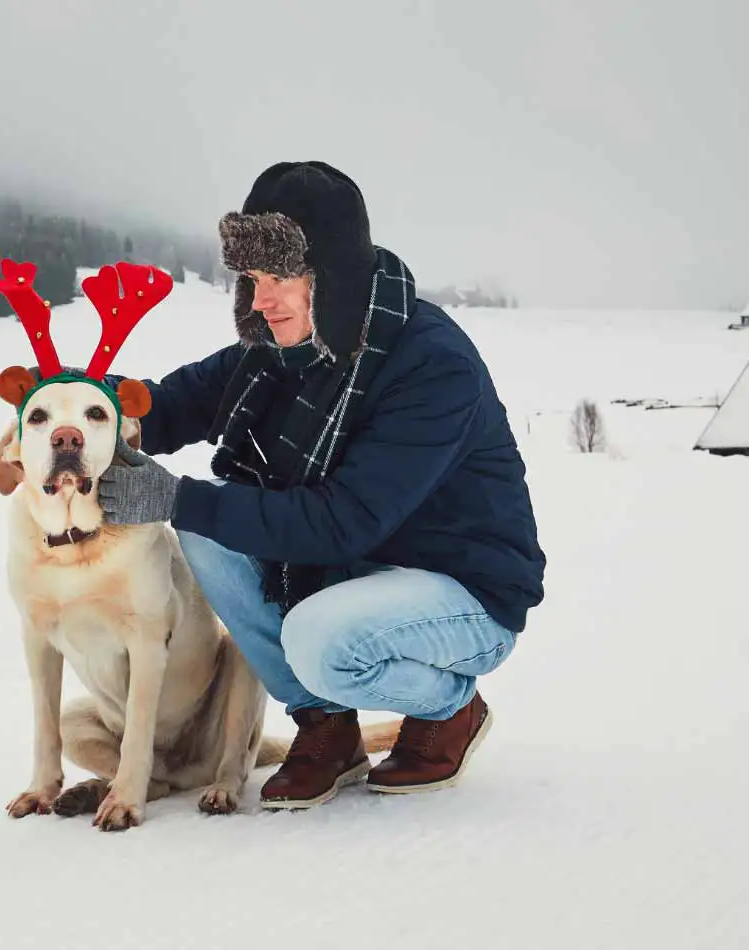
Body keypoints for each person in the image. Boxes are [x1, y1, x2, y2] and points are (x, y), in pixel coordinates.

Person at [97, 161, 546, 810]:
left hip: (465, 591)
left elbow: (342, 521)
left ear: (332, 276)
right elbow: (174, 403)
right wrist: (90, 407)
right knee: (206, 532)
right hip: (361, 573)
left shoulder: (431, 366)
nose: (261, 300)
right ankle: (326, 728)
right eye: (253, 279)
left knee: (316, 638)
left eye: (282, 277)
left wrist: (174, 495)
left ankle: (452, 707)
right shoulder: (283, 348)